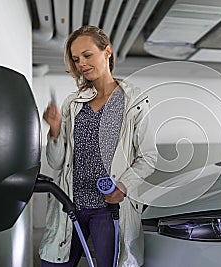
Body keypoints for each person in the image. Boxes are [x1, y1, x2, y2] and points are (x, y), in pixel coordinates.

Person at [40, 25, 157, 267]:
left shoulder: (134, 101)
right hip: (70, 204)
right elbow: (56, 162)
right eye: (75, 58)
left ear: (107, 52)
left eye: (87, 55)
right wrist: (54, 129)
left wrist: (123, 187)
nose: (81, 63)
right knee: (54, 262)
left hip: (109, 208)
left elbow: (148, 157)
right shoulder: (73, 104)